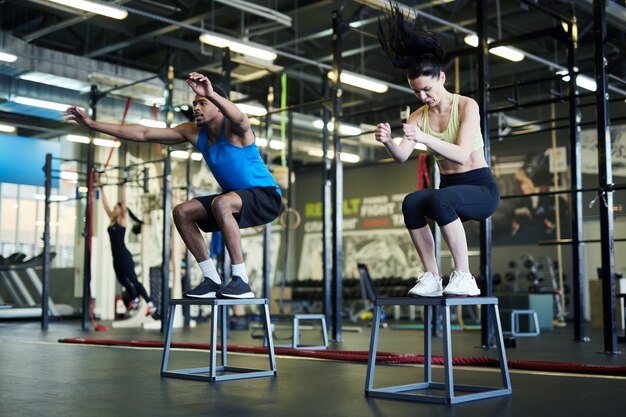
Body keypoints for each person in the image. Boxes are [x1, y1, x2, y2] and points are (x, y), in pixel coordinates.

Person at [65, 72, 282, 299]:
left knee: (221, 203)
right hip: (234, 198)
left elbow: (241, 119)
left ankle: (241, 280)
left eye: (203, 103)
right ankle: (211, 279)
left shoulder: (234, 130)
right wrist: (92, 124)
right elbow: (143, 133)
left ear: (218, 106)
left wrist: (211, 94)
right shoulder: (193, 132)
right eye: (194, 103)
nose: (196, 107)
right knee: (182, 212)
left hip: (265, 197)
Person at [375, 4, 500, 297]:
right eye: (416, 91)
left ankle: (465, 276)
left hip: (480, 188)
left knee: (442, 200)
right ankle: (432, 277)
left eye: (427, 89)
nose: (423, 96)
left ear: (442, 78)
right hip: (450, 189)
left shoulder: (467, 105)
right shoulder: (418, 116)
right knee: (412, 203)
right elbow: (402, 156)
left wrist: (424, 138)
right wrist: (389, 141)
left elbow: (460, 153)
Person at [98, 180, 157, 316]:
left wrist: (122, 187)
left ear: (121, 210)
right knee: (122, 280)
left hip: (124, 255)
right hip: (116, 257)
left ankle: (149, 303)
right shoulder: (112, 220)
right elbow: (105, 205)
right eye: (114, 208)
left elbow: (123, 204)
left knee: (134, 280)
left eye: (116, 208)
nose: (113, 209)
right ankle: (135, 298)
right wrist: (101, 190)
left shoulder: (122, 220)